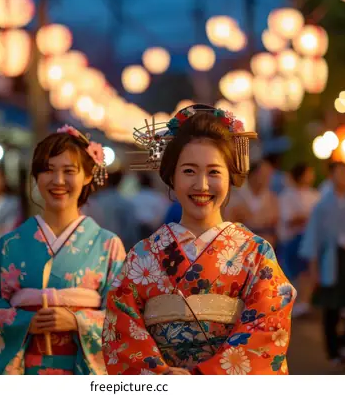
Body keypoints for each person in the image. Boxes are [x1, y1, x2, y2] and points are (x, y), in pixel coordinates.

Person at [102, 104, 296, 375]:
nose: (202, 185)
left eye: (214, 172)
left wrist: (203, 378)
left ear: (231, 177)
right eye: (189, 171)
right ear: (171, 176)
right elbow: (121, 330)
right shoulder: (142, 257)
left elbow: (268, 326)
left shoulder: (256, 253)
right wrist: (162, 377)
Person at [0, 125, 126, 375]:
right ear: (36, 177)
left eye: (69, 171)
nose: (58, 181)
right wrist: (24, 323)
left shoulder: (108, 245)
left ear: (87, 175)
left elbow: (123, 316)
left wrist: (77, 322)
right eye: (48, 171)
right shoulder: (11, 244)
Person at [299, 161, 345, 372]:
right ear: (331, 177)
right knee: (332, 308)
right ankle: (334, 352)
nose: (343, 179)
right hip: (332, 259)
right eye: (338, 174)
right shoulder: (322, 206)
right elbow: (313, 238)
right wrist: (314, 268)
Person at [277, 163, 320, 317]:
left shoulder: (314, 195)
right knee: (299, 271)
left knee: (308, 271)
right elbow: (289, 219)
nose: (311, 177)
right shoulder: (287, 196)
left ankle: (304, 302)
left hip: (310, 239)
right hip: (292, 239)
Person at [225, 159, 279, 248]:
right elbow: (231, 221)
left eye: (269, 175)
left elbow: (274, 220)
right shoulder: (236, 195)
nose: (267, 178)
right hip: (239, 243)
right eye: (263, 174)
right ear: (252, 175)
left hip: (265, 245)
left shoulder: (272, 198)